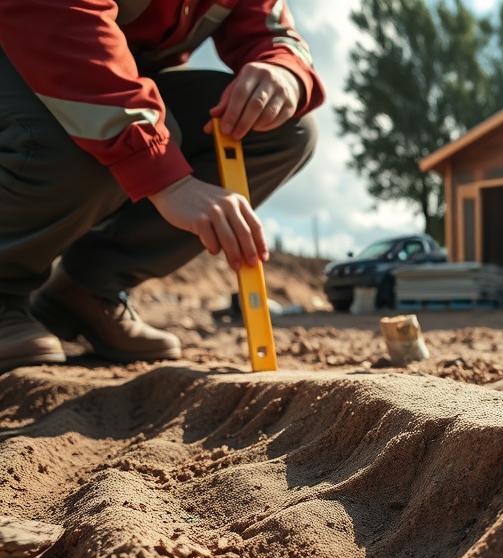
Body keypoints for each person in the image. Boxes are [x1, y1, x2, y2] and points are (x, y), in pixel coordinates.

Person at [0, 0, 323, 371]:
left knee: (284, 131)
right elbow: (57, 18)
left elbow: (272, 28)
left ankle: (85, 289)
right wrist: (167, 179)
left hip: (113, 76)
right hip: (29, 46)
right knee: (90, 135)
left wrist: (283, 69)